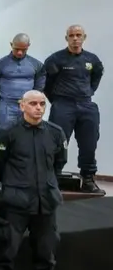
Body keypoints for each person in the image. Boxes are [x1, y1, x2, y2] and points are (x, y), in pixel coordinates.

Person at [0, 90, 68, 270]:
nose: (38, 108)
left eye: (42, 104)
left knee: (47, 248)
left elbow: (59, 163)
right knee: (7, 246)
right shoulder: (8, 133)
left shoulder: (55, 132)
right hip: (16, 200)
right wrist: (14, 183)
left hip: (46, 201)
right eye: (33, 103)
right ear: (22, 106)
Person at [43, 25, 105, 194]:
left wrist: (88, 92)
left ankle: (88, 179)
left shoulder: (92, 60)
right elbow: (46, 83)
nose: (75, 38)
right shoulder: (55, 59)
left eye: (78, 35)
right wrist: (56, 100)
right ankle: (52, 178)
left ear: (84, 37)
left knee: (89, 143)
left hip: (86, 105)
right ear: (66, 38)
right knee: (57, 143)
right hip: (63, 105)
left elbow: (97, 76)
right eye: (72, 35)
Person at [0, 33, 45, 134]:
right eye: (16, 49)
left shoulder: (37, 64)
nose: (19, 52)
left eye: (23, 50)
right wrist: (0, 99)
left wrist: (32, 100)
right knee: (2, 133)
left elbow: (40, 84)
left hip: (28, 104)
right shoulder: (0, 64)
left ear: (28, 46)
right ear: (11, 44)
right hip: (7, 104)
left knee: (28, 132)